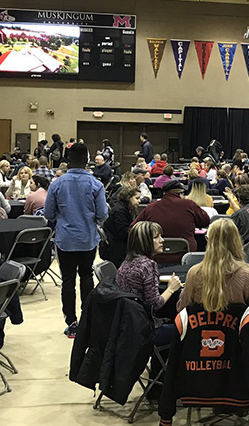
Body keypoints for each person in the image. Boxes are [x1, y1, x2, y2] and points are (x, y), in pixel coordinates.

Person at [43, 143, 109, 338]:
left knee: (68, 281)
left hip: (65, 240)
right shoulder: (96, 184)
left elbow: (48, 214)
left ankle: (71, 322)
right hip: (87, 239)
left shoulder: (57, 183)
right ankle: (87, 320)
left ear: (68, 159)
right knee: (87, 277)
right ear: (87, 160)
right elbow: (103, 214)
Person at [177, 218, 249, 319]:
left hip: (199, 332)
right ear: (236, 241)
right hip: (237, 333)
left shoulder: (194, 273)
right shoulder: (247, 275)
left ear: (209, 242)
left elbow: (181, 308)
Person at [115, 221, 182, 344]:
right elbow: (154, 304)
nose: (162, 240)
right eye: (156, 237)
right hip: (144, 329)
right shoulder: (148, 265)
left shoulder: (126, 263)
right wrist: (171, 288)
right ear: (144, 242)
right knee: (186, 329)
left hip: (126, 325)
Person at [132, 180, 210, 264]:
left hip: (156, 257)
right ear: (180, 193)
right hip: (186, 258)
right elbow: (205, 221)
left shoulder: (151, 208)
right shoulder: (189, 205)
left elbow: (133, 228)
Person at [102, 186, 139, 267]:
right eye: (137, 198)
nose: (139, 201)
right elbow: (123, 232)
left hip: (117, 245)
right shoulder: (120, 211)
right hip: (116, 250)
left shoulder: (124, 208)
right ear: (129, 198)